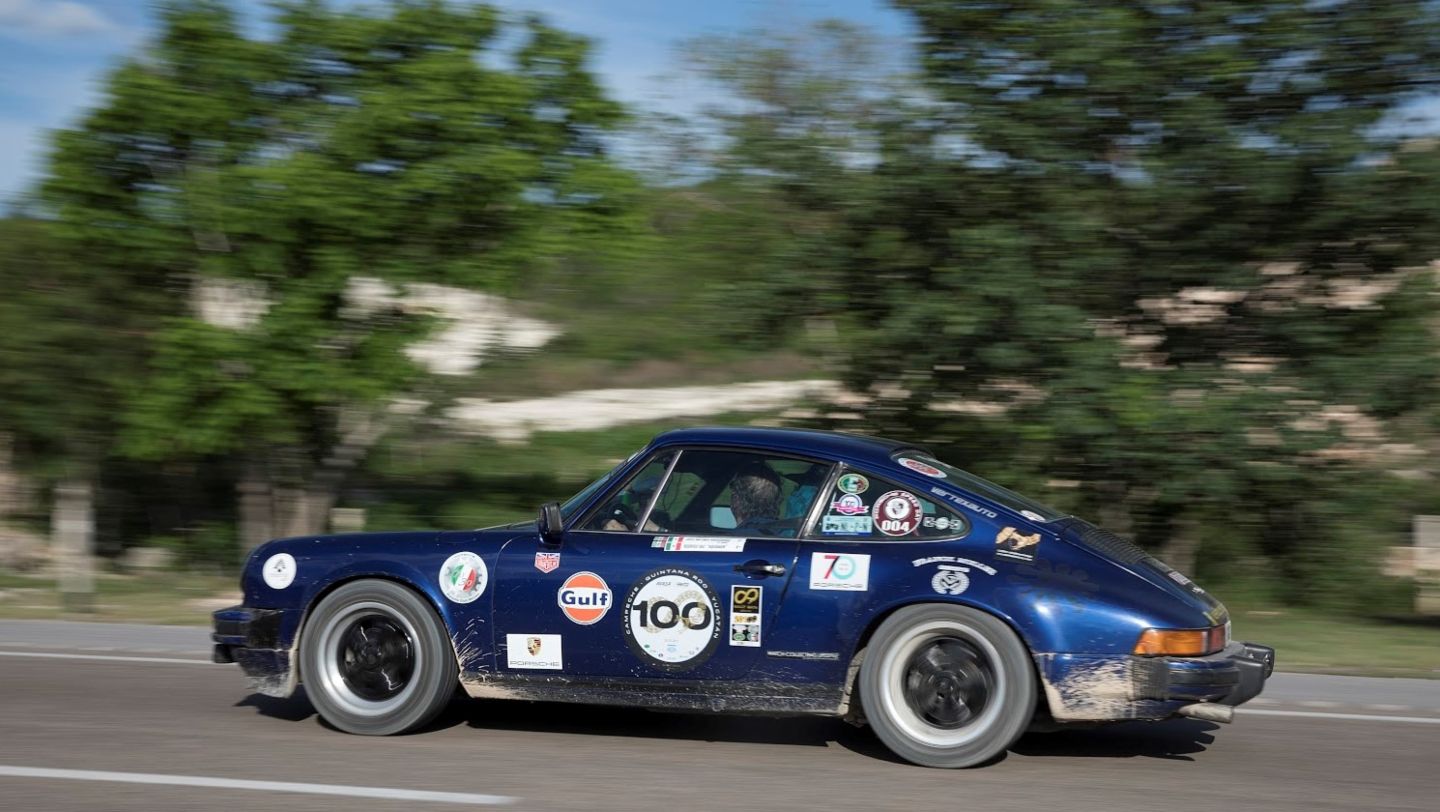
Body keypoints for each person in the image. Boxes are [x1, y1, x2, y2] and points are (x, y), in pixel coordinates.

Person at [729, 463, 783, 536]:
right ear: (777, 501)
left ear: (736, 500)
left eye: (733, 493)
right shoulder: (787, 534)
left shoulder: (733, 541)